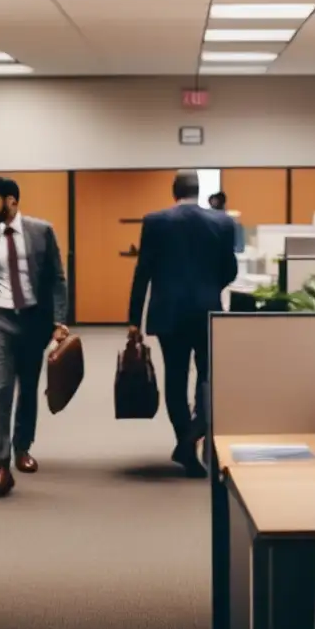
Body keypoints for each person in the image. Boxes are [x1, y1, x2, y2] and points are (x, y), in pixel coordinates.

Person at [0, 176, 69, 498]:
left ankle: (23, 447)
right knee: (1, 388)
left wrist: (60, 320)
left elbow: (57, 279)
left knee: (29, 388)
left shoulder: (42, 231)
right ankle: (2, 463)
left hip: (34, 320)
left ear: (11, 201)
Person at [127, 170, 238, 478]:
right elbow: (230, 270)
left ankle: (185, 442)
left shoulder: (155, 221)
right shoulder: (223, 221)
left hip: (168, 312)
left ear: (174, 191)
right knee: (207, 377)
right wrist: (209, 286)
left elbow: (143, 271)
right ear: (199, 191)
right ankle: (195, 435)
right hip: (207, 311)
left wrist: (133, 319)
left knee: (175, 378)